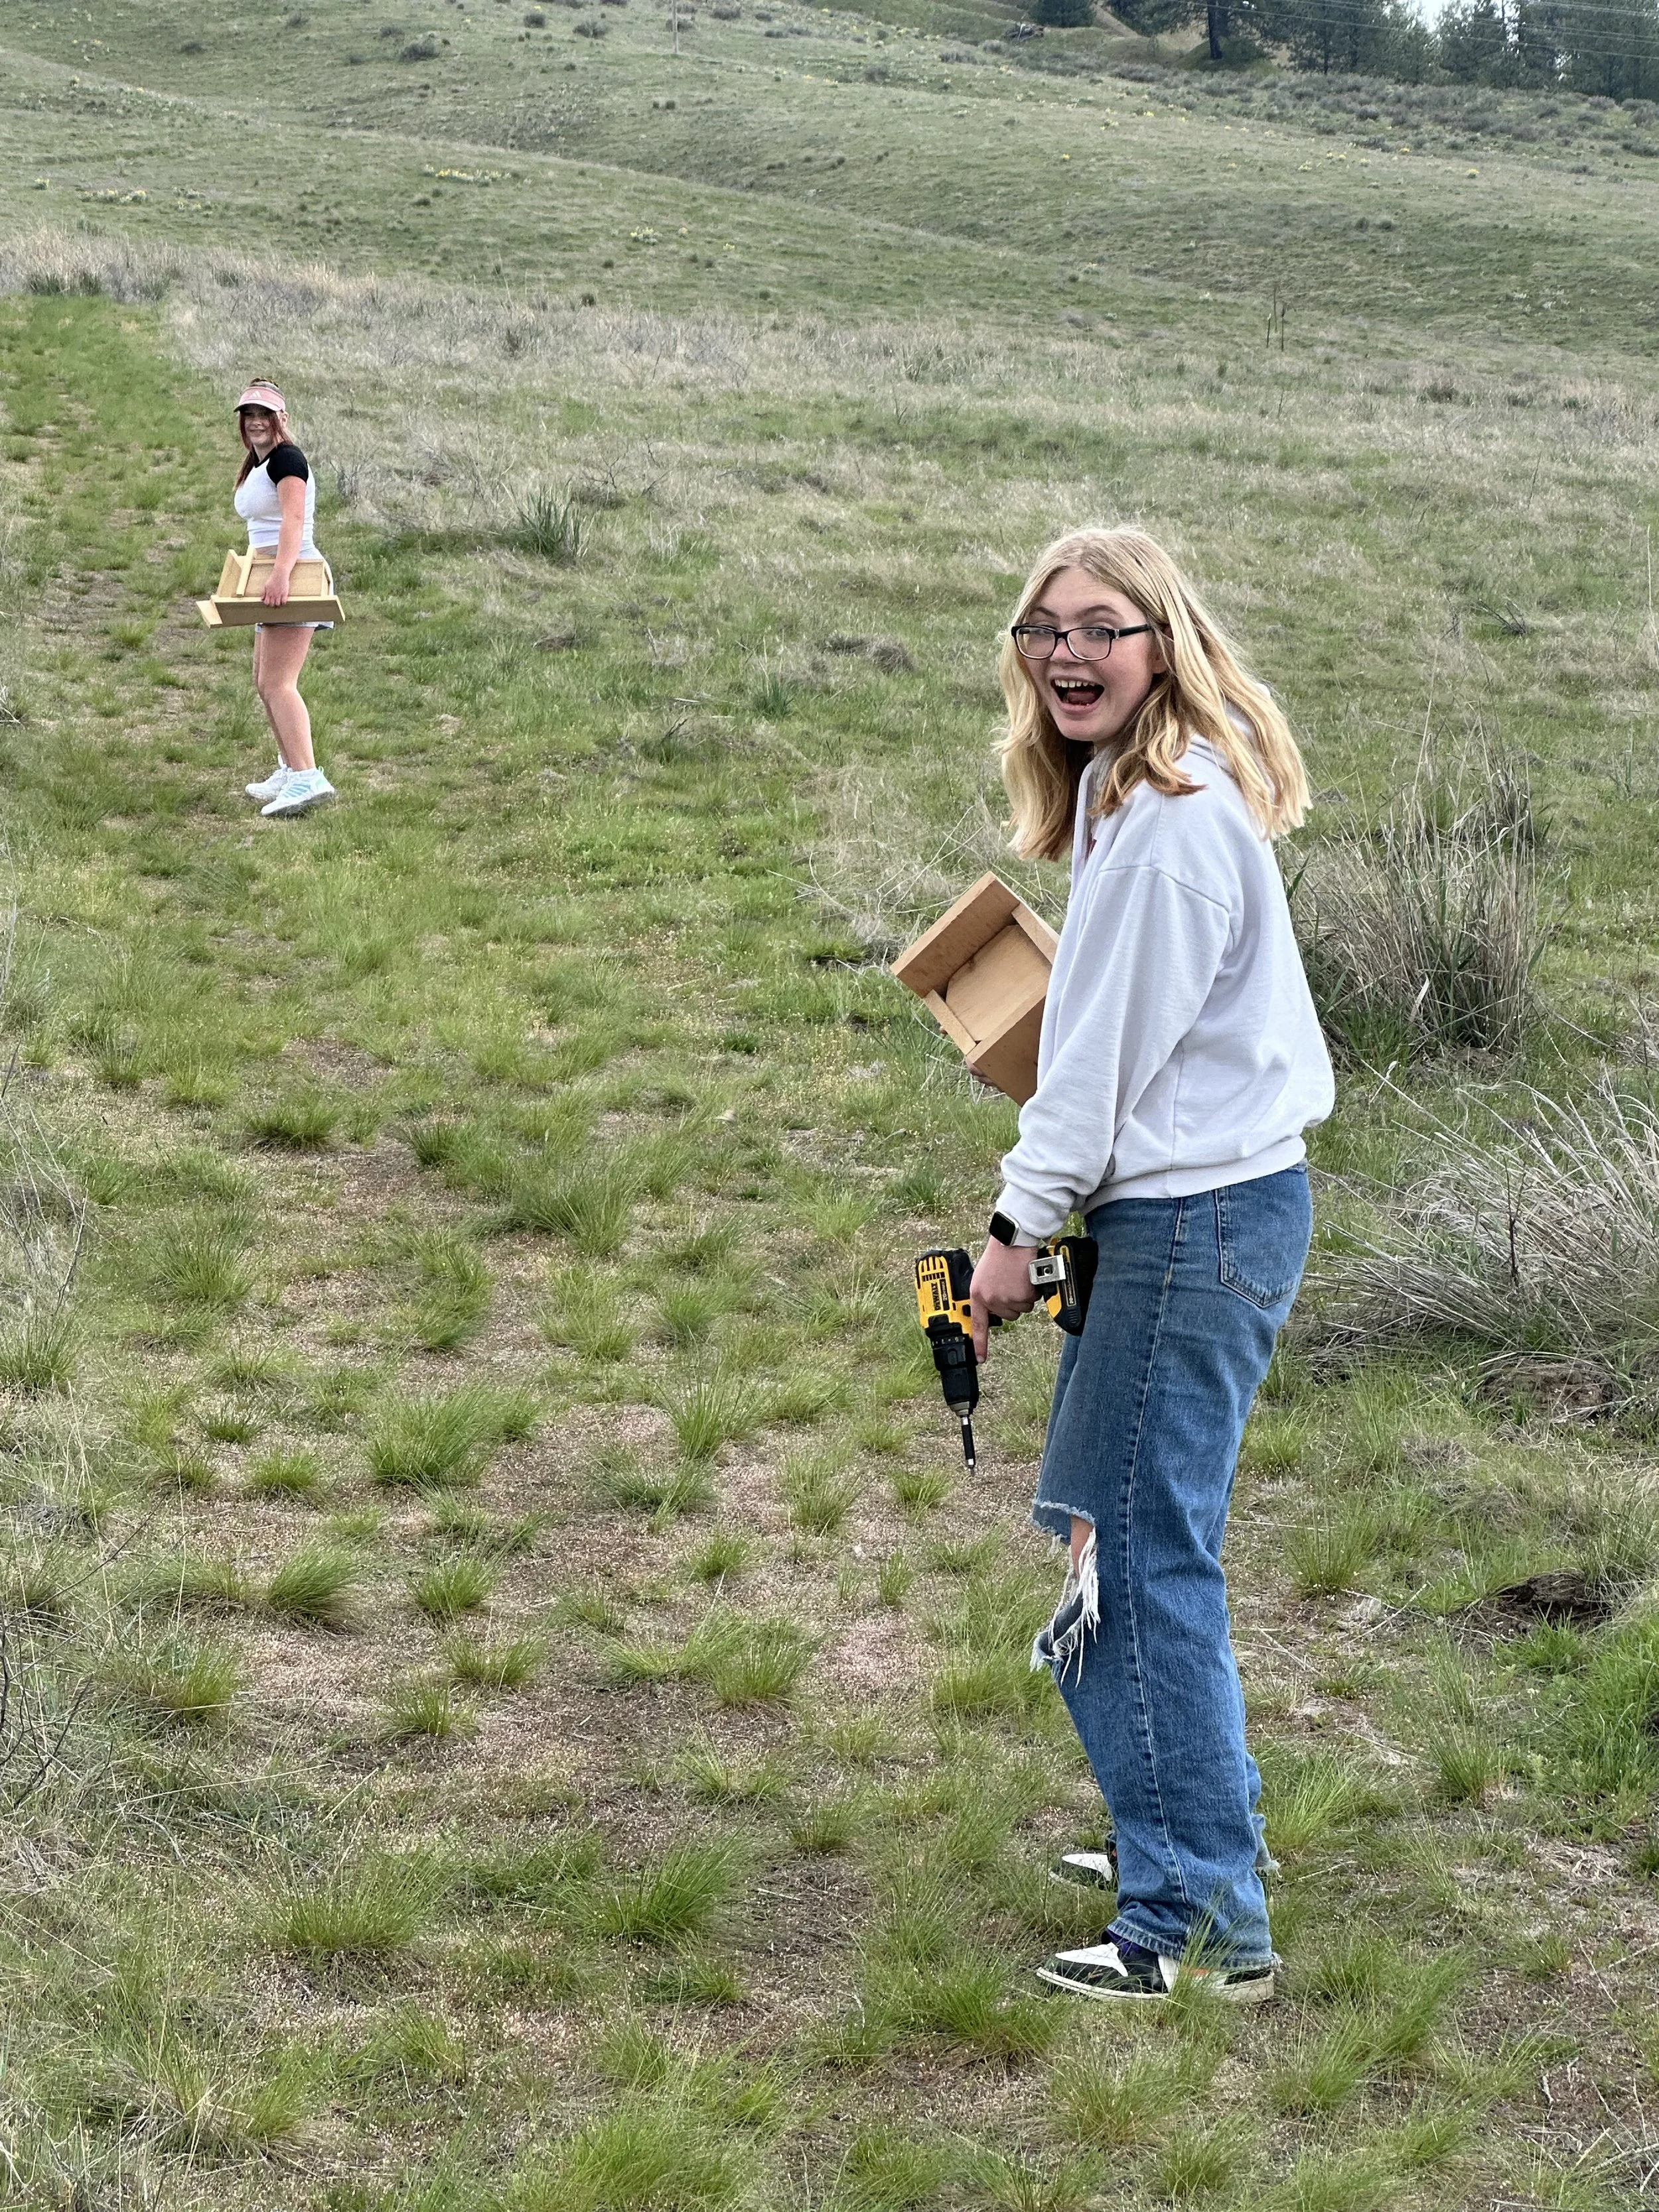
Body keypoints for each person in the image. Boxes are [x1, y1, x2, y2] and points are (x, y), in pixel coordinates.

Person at [968, 526, 1334, 2006]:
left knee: (1140, 1556)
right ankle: (1173, 1827)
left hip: (1191, 1226)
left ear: (1160, 645)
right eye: (1044, 626)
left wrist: (1012, 1233)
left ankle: (1192, 1914)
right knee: (1110, 1534)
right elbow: (1108, 1050)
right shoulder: (1128, 804)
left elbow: (1091, 1070)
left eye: (1101, 627)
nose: (1067, 651)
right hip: (1187, 1217)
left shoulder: (1170, 826)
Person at [232, 379, 336, 818]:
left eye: (265, 415)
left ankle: (308, 777)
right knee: (264, 682)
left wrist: (280, 574)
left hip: (294, 577)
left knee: (279, 683)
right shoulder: (259, 462)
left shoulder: (288, 458)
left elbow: (294, 520)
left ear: (282, 420)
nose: (256, 422)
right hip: (271, 578)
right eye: (249, 415)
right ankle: (289, 768)